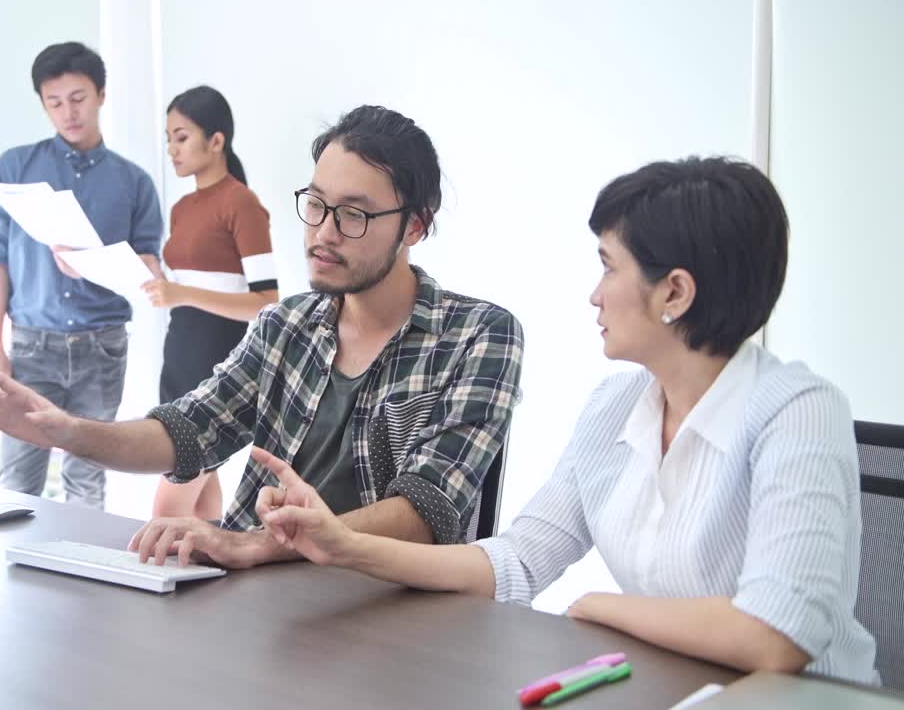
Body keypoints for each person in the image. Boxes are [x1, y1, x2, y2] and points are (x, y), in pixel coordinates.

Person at [252, 156, 880, 684]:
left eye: (609, 266)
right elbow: (514, 563)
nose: (594, 293)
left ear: (676, 294)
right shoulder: (615, 406)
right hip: (671, 689)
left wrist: (601, 606)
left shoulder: (797, 412)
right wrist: (343, 545)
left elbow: (776, 637)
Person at [0, 104, 524, 569]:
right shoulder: (285, 327)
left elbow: (429, 507)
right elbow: (187, 431)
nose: (323, 233)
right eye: (317, 205)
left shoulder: (479, 336)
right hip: (257, 601)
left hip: (390, 614)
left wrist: (260, 544)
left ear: (414, 225)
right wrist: (66, 430)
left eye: (354, 215)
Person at [0, 41, 163, 508]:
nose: (68, 113)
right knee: (17, 482)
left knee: (87, 483)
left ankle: (85, 579)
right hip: (30, 346)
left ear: (101, 94)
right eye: (54, 103)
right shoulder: (15, 167)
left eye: (78, 98)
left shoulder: (134, 182)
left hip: (100, 350)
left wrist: (94, 263)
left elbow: (149, 272)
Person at [143, 86, 279, 521]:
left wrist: (180, 294)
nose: (171, 149)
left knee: (167, 512)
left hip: (216, 364)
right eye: (168, 138)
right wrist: (157, 277)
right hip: (179, 355)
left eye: (181, 137)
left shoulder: (242, 203)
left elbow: (266, 302)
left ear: (216, 141)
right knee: (199, 500)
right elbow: (191, 284)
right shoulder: (182, 208)